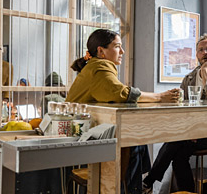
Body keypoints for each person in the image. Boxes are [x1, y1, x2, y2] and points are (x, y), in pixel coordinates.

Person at [66, 29, 180, 194]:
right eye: (117, 46)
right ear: (100, 51)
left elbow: (116, 94)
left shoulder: (96, 66)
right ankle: (134, 189)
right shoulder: (99, 66)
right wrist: (159, 97)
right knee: (133, 140)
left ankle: (137, 187)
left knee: (135, 138)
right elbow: (120, 93)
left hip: (83, 132)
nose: (122, 51)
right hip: (79, 137)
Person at [142, 34, 207, 192]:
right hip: (190, 132)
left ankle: (148, 182)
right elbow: (181, 107)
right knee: (178, 157)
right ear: (196, 54)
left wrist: (205, 72)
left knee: (175, 142)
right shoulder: (189, 78)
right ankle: (186, 192)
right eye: (201, 50)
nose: (205, 52)